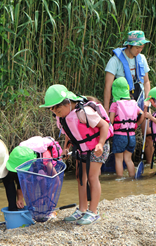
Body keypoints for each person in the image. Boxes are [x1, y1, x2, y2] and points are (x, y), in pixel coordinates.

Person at [40, 85, 112, 225]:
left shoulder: (84, 112)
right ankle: (82, 209)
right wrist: (66, 148)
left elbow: (104, 126)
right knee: (80, 177)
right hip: (82, 148)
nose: (56, 113)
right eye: (53, 110)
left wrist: (101, 144)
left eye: (58, 110)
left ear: (67, 103)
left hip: (98, 146)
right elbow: (69, 132)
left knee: (92, 177)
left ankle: (93, 212)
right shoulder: (62, 117)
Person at [103, 30, 154, 167]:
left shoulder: (141, 58)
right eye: (137, 47)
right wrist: (107, 109)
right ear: (129, 46)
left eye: (142, 47)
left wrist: (147, 100)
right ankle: (116, 166)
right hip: (122, 104)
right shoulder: (115, 61)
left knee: (147, 134)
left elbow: (147, 81)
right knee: (120, 133)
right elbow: (108, 87)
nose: (140, 50)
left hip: (140, 98)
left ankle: (148, 165)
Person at [109, 77, 144, 177]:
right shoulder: (134, 103)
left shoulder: (115, 104)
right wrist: (136, 125)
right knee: (128, 159)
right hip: (131, 136)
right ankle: (132, 178)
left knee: (119, 159)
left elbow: (111, 122)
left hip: (119, 136)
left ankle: (120, 182)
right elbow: (142, 115)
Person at [3, 146, 37, 211]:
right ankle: (13, 210)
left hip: (26, 157)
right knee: (9, 180)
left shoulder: (37, 163)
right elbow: (16, 181)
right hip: (16, 160)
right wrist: (18, 200)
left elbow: (21, 181)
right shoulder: (7, 167)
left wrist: (20, 198)